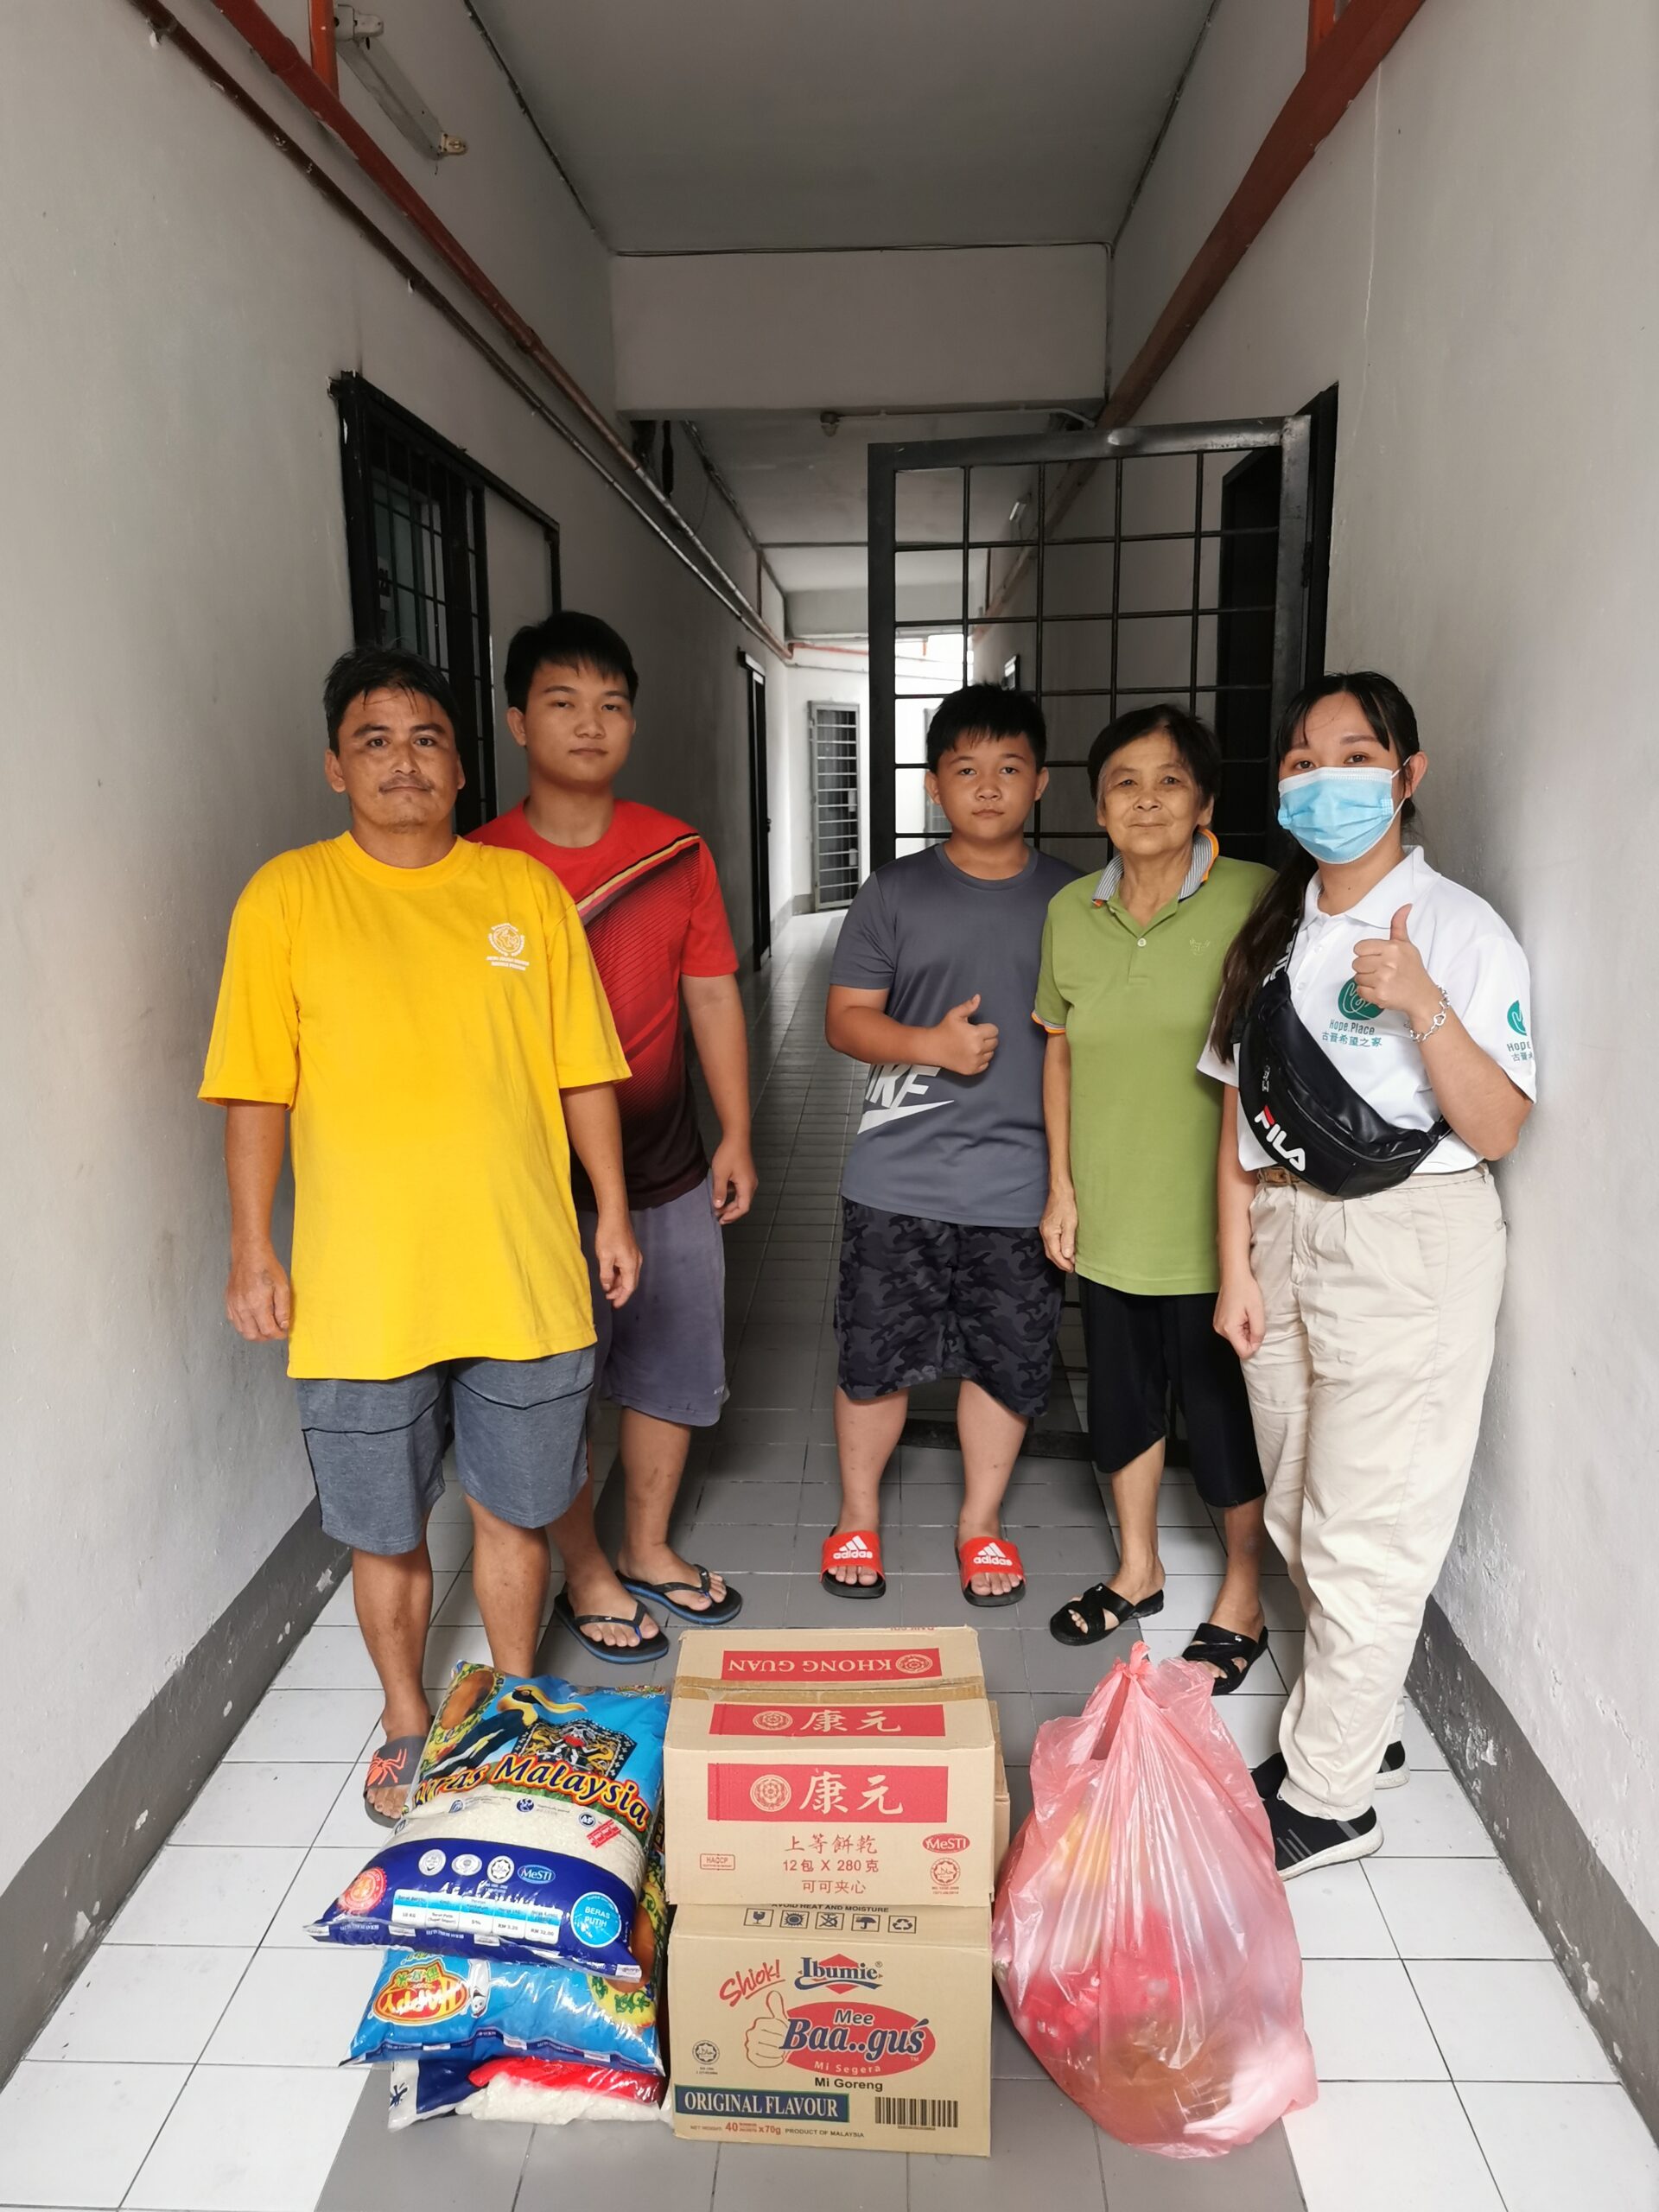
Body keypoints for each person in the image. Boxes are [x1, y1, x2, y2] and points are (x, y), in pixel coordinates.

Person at [201, 645, 639, 1821]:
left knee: (515, 1509)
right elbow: (256, 1090)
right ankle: (406, 1719)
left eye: (427, 738)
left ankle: (511, 1707)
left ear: (461, 764)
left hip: (519, 1267)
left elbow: (583, 1070)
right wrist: (251, 1247)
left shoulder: (523, 896)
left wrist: (610, 1209)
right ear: (335, 766)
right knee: (383, 1528)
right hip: (362, 1286)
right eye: (376, 740)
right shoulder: (286, 897)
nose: (404, 761)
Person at [1205, 671, 1535, 1875]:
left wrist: (1424, 1003)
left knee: (1367, 1530)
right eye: (1301, 759)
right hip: (1283, 1237)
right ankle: (1361, 1731)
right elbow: (1237, 1107)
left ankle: (1332, 1794)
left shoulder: (1458, 929)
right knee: (1301, 1506)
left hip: (1410, 1241)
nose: (1323, 779)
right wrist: (1235, 1265)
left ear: (1407, 775)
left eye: (1353, 755)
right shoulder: (1277, 928)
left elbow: (1496, 1127)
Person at [473, 611, 753, 1658]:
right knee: (549, 1384)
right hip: (528, 1182)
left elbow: (711, 994)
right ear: (517, 720)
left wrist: (737, 1131)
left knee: (673, 1358)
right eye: (562, 702)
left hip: (666, 1160)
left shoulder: (676, 851)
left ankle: (646, 1546)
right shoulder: (475, 866)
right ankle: (586, 1570)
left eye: (611, 704)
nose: (590, 723)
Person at [821, 684, 1077, 1603]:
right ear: (935, 786)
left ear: (1040, 782)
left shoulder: (1075, 901)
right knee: (873, 1357)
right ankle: (857, 1516)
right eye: (966, 769)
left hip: (1021, 1182)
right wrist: (930, 1045)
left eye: (1010, 767)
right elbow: (845, 1020)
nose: (988, 786)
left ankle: (981, 1524)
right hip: (898, 1176)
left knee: (1007, 1361)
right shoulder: (894, 892)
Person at [1036, 707, 1274, 1688]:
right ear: (1098, 808)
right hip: (1111, 1206)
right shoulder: (1070, 912)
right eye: (1124, 783)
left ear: (1205, 802)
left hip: (1219, 1219)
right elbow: (1059, 1049)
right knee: (1123, 1396)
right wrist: (1062, 1187)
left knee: (1221, 1414)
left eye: (1170, 780)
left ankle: (1244, 1595)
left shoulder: (1258, 898)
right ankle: (1138, 1569)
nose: (1145, 800)